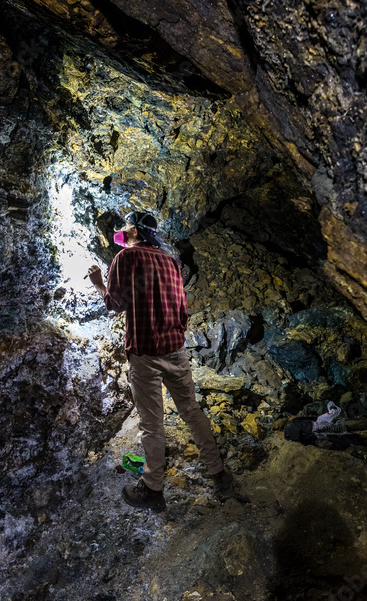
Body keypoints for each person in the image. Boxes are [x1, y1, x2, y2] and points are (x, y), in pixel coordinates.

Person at [87, 211, 233, 511]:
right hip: (175, 350)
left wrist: (98, 283)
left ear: (135, 233)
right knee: (192, 411)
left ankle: (153, 490)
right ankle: (219, 475)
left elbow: (115, 304)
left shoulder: (124, 259)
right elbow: (183, 310)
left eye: (126, 228)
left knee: (152, 425)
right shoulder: (171, 262)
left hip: (145, 352)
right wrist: (175, 336)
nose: (123, 232)